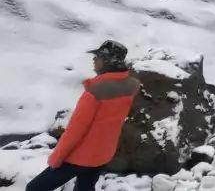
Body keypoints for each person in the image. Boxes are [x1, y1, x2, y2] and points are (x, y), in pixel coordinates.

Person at [27, 41, 141, 191]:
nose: (94, 60)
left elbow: (76, 129)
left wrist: (57, 158)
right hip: (103, 153)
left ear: (108, 61)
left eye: (98, 56)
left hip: (80, 156)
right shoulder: (130, 86)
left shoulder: (95, 91)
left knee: (34, 188)